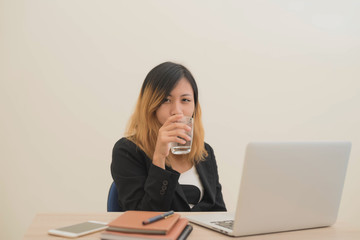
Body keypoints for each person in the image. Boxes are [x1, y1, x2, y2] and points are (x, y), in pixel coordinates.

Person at [111, 62, 226, 211]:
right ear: (150, 104)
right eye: (166, 100)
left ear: (194, 106)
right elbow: (141, 217)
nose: (177, 111)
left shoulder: (205, 152)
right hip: (158, 234)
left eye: (185, 100)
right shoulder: (128, 150)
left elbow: (218, 211)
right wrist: (159, 157)